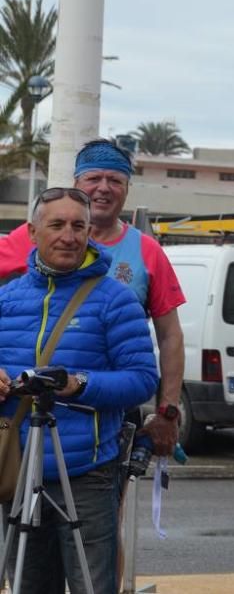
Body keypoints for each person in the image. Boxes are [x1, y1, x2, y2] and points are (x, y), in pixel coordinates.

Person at [0, 188, 159, 593]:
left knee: (93, 586)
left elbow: (142, 378)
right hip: (17, 472)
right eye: (56, 225)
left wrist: (77, 384)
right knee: (28, 585)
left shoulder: (116, 300)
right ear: (33, 232)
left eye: (78, 226)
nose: (68, 236)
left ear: (90, 233)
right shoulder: (7, 299)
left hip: (87, 475)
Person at [0, 139, 185, 456]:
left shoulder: (147, 251)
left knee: (104, 499)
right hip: (23, 419)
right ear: (76, 184)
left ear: (127, 188)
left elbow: (170, 335)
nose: (104, 188)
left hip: (109, 408)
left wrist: (168, 411)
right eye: (93, 178)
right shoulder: (29, 237)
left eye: (115, 180)